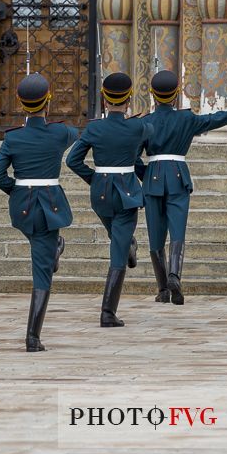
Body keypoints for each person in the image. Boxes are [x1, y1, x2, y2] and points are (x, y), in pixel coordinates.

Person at [141, 70, 227, 304]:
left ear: (152, 95)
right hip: (177, 176)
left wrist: (148, 173)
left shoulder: (145, 122)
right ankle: (175, 274)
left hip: (153, 178)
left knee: (155, 235)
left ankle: (163, 289)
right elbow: (216, 119)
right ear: (175, 96)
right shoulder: (186, 118)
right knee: (177, 231)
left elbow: (133, 156)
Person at [0, 74, 77, 351]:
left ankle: (52, 249)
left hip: (24, 203)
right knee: (42, 270)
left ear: (21, 104)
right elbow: (77, 135)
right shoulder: (60, 133)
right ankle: (33, 337)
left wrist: (16, 190)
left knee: (41, 243)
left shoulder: (13, 138)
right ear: (47, 101)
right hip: (49, 202)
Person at [66, 72, 152, 327]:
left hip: (101, 191)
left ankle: (126, 245)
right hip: (126, 190)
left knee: (117, 237)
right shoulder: (138, 127)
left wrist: (93, 178)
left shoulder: (94, 127)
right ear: (128, 100)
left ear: (104, 100)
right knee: (118, 249)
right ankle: (107, 312)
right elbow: (146, 143)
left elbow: (73, 160)